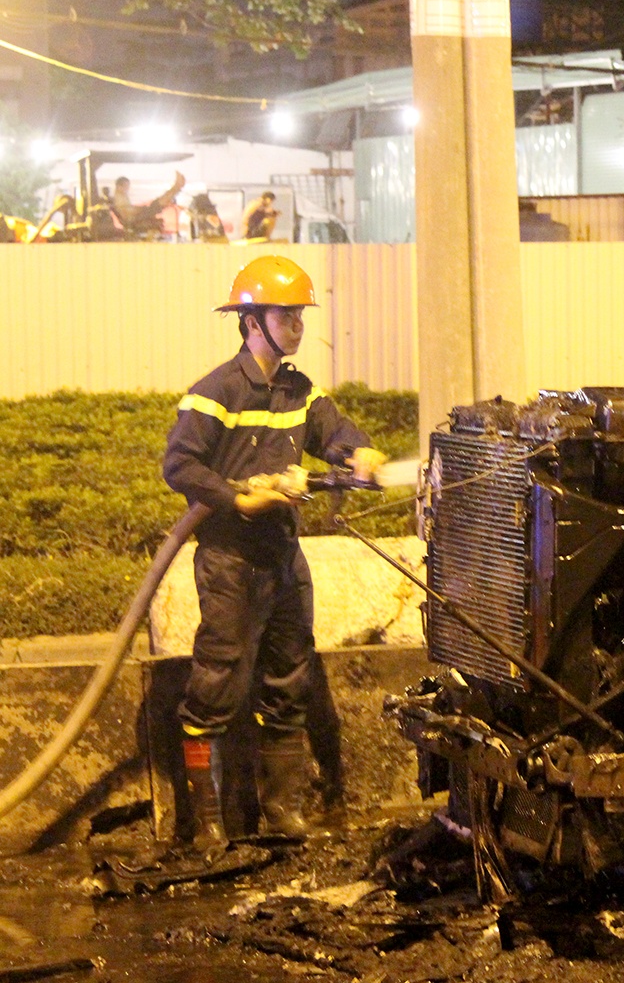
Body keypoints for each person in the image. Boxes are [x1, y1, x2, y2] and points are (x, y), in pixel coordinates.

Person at [163, 254, 385, 854]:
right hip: (231, 561)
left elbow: (334, 433)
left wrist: (355, 453)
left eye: (300, 314)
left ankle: (283, 810)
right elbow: (180, 465)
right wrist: (238, 498)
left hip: (284, 557)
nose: (297, 323)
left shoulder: (299, 390)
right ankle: (207, 822)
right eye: (286, 314)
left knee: (289, 679)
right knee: (216, 685)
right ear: (251, 320)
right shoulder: (214, 394)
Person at [111, 172, 185, 238]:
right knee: (158, 203)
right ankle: (176, 187)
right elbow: (127, 212)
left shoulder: (122, 196)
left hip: (137, 215)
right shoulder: (119, 197)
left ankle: (176, 188)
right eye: (126, 186)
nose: (127, 188)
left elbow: (127, 209)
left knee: (159, 203)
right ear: (119, 186)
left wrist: (140, 208)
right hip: (135, 217)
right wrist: (141, 209)